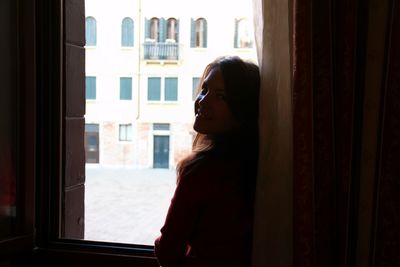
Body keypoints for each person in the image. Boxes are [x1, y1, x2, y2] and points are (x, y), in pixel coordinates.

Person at [154, 56, 260, 267]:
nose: (202, 101)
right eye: (204, 90)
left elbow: (168, 250)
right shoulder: (258, 163)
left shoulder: (200, 172)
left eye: (221, 96)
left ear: (242, 109)